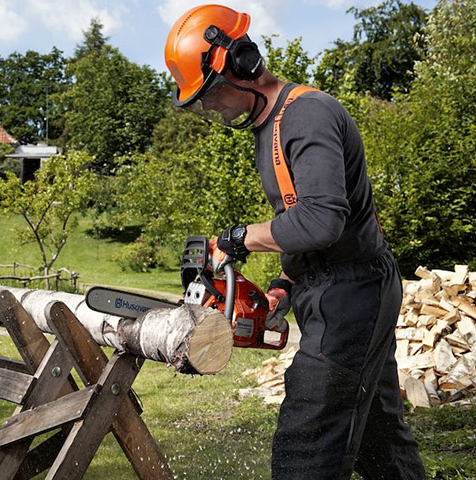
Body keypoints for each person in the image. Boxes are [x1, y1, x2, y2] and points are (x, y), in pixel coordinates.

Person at [164, 5, 426, 479]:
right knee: (378, 435)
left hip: (352, 292)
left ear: (242, 63)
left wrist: (239, 239)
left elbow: (321, 221)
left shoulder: (306, 114)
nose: (210, 107)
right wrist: (285, 283)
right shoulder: (272, 126)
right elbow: (299, 220)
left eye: (210, 93)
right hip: (338, 284)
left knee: (308, 439)